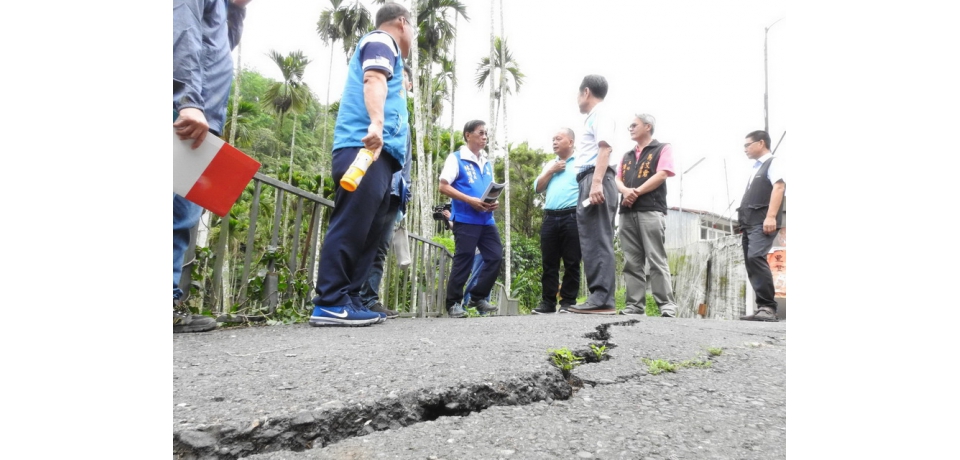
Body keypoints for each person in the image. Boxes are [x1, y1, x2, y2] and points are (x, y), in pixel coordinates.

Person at [310, 2, 415, 327]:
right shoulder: (382, 41)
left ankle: (350, 299)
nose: (413, 36)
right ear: (401, 22)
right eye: (413, 28)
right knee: (352, 225)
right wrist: (376, 123)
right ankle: (329, 301)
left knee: (368, 232)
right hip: (364, 148)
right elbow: (373, 79)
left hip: (382, 157)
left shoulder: (388, 47)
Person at [172, 0, 251, 333]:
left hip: (203, 119)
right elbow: (181, 28)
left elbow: (220, 46)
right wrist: (187, 100)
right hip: (186, 112)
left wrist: (238, 10)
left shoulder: (223, 7)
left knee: (181, 216)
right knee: (171, 210)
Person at [356, 65, 414, 319]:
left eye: (405, 80)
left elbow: (406, 161)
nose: (401, 83)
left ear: (409, 86)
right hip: (372, 185)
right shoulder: (377, 109)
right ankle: (350, 296)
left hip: (394, 192)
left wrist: (406, 192)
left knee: (380, 248)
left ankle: (369, 299)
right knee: (360, 241)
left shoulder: (405, 120)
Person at [615, 114, 679, 318]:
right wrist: (626, 191)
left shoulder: (662, 148)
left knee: (656, 258)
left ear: (647, 126)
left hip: (651, 210)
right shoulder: (626, 155)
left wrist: (635, 192)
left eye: (634, 125)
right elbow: (617, 179)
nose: (630, 128)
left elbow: (662, 174)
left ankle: (667, 305)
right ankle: (634, 305)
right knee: (631, 261)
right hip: (626, 212)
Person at [438, 120, 502, 318]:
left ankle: (477, 297)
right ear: (468, 135)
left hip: (486, 219)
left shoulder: (486, 161)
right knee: (463, 261)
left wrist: (493, 202)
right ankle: (453, 303)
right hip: (466, 219)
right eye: (480, 133)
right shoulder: (456, 158)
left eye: (486, 134)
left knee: (495, 256)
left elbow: (485, 190)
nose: (484, 137)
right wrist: (469, 200)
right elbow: (443, 186)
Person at [566, 75, 619, 315]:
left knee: (597, 237)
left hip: (595, 177)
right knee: (592, 236)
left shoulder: (600, 114)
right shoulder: (595, 116)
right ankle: (599, 296)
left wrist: (596, 183)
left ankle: (601, 297)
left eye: (578, 94)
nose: (578, 99)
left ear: (586, 92)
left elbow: (604, 148)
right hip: (590, 178)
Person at [531, 128, 581, 314]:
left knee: (572, 260)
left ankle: (568, 301)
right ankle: (548, 302)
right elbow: (537, 187)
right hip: (550, 217)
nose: (554, 142)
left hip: (572, 216)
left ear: (571, 141)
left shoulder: (581, 162)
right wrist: (551, 170)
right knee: (549, 262)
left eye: (558, 138)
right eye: (552, 139)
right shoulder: (550, 164)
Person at [738, 130, 785, 322]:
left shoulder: (773, 162)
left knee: (756, 257)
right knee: (751, 262)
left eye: (747, 145)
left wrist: (771, 216)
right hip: (749, 222)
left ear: (761, 143)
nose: (745, 149)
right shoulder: (755, 168)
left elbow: (779, 187)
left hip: (763, 220)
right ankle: (762, 308)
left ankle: (768, 308)